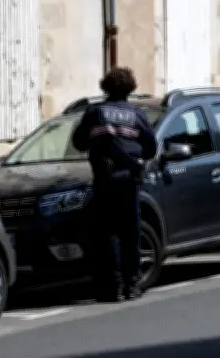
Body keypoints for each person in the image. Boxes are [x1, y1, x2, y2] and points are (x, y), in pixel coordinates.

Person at [72, 67, 157, 302]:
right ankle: (132, 285)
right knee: (131, 233)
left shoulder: (95, 112)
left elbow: (79, 142)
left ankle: (114, 287)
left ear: (105, 86)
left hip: (105, 179)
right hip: (129, 180)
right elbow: (151, 147)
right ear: (131, 88)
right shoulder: (136, 114)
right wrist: (134, 157)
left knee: (107, 234)